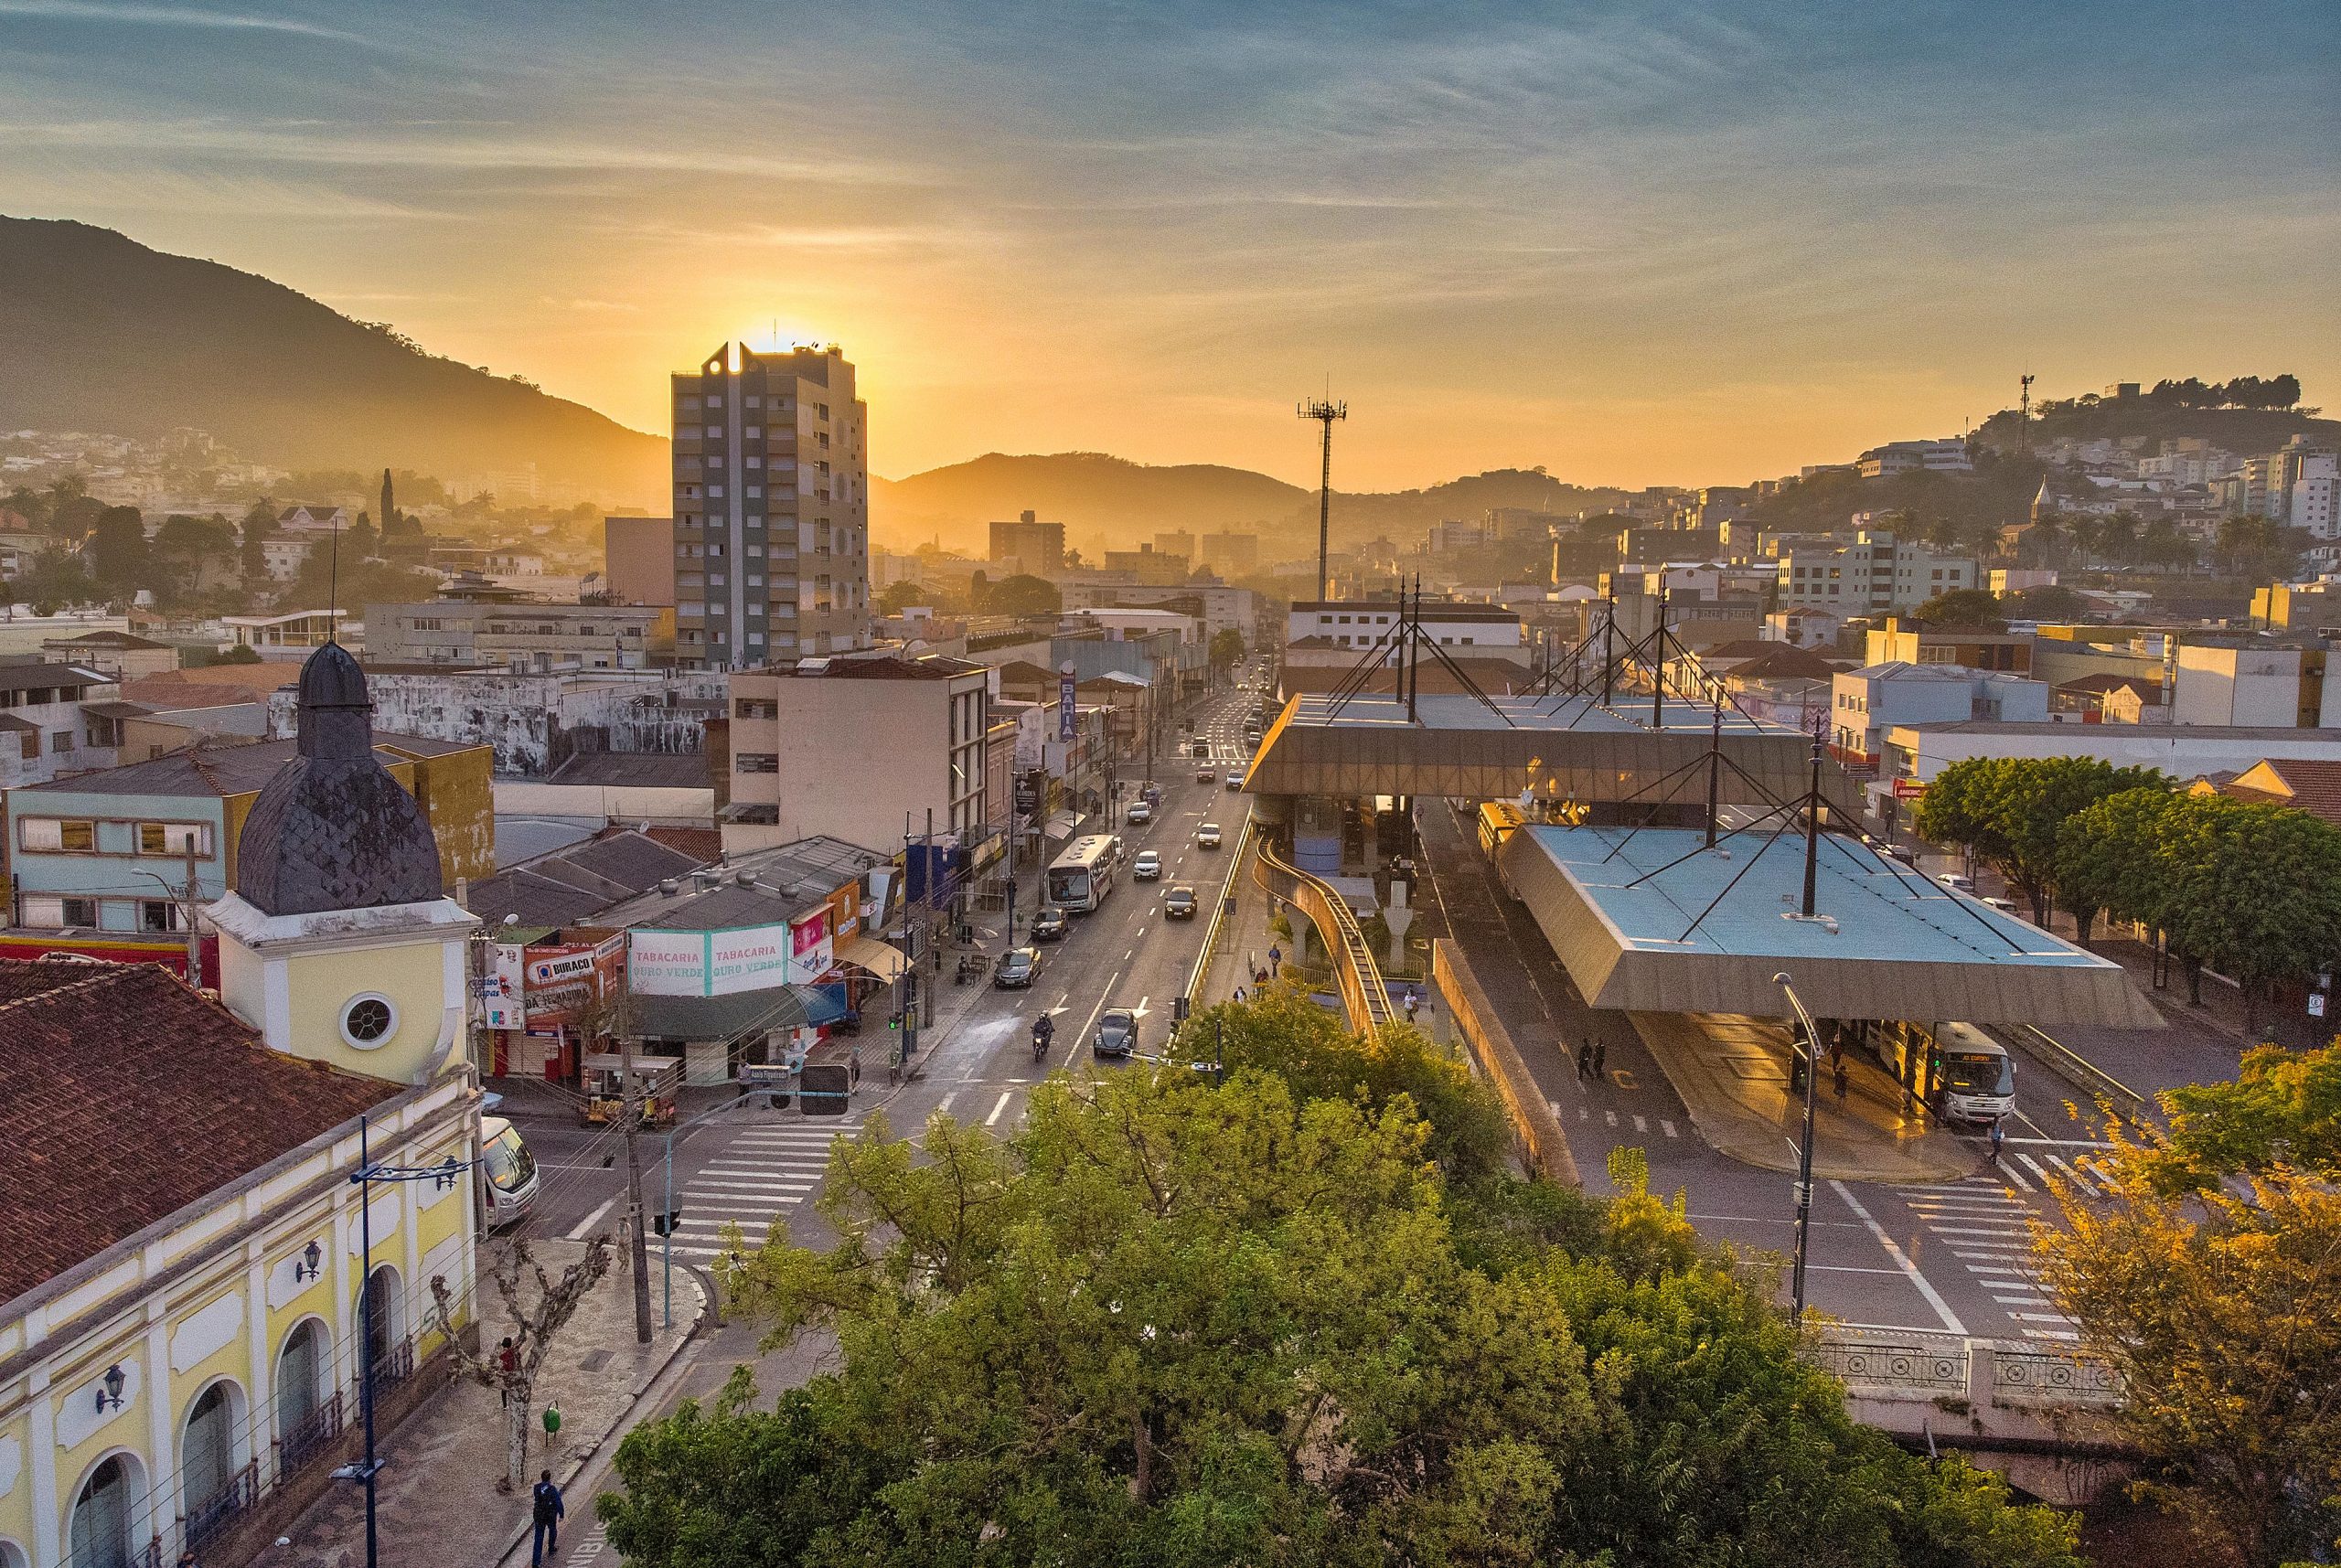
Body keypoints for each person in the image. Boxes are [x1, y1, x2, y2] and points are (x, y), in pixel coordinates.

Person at [531, 1470, 565, 1566]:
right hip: (550, 1515)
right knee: (553, 1531)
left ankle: (536, 1562)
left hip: (539, 1515)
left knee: (538, 1538)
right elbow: (558, 1502)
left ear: (541, 1478)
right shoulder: (552, 1489)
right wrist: (561, 1514)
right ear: (550, 1478)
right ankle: (551, 1548)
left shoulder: (536, 1488)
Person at [497, 1337, 518, 1407]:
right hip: (510, 1373)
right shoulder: (511, 1352)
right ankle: (513, 1402)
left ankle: (505, 1405)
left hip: (504, 1374)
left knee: (504, 1390)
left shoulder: (501, 1353)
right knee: (512, 1388)